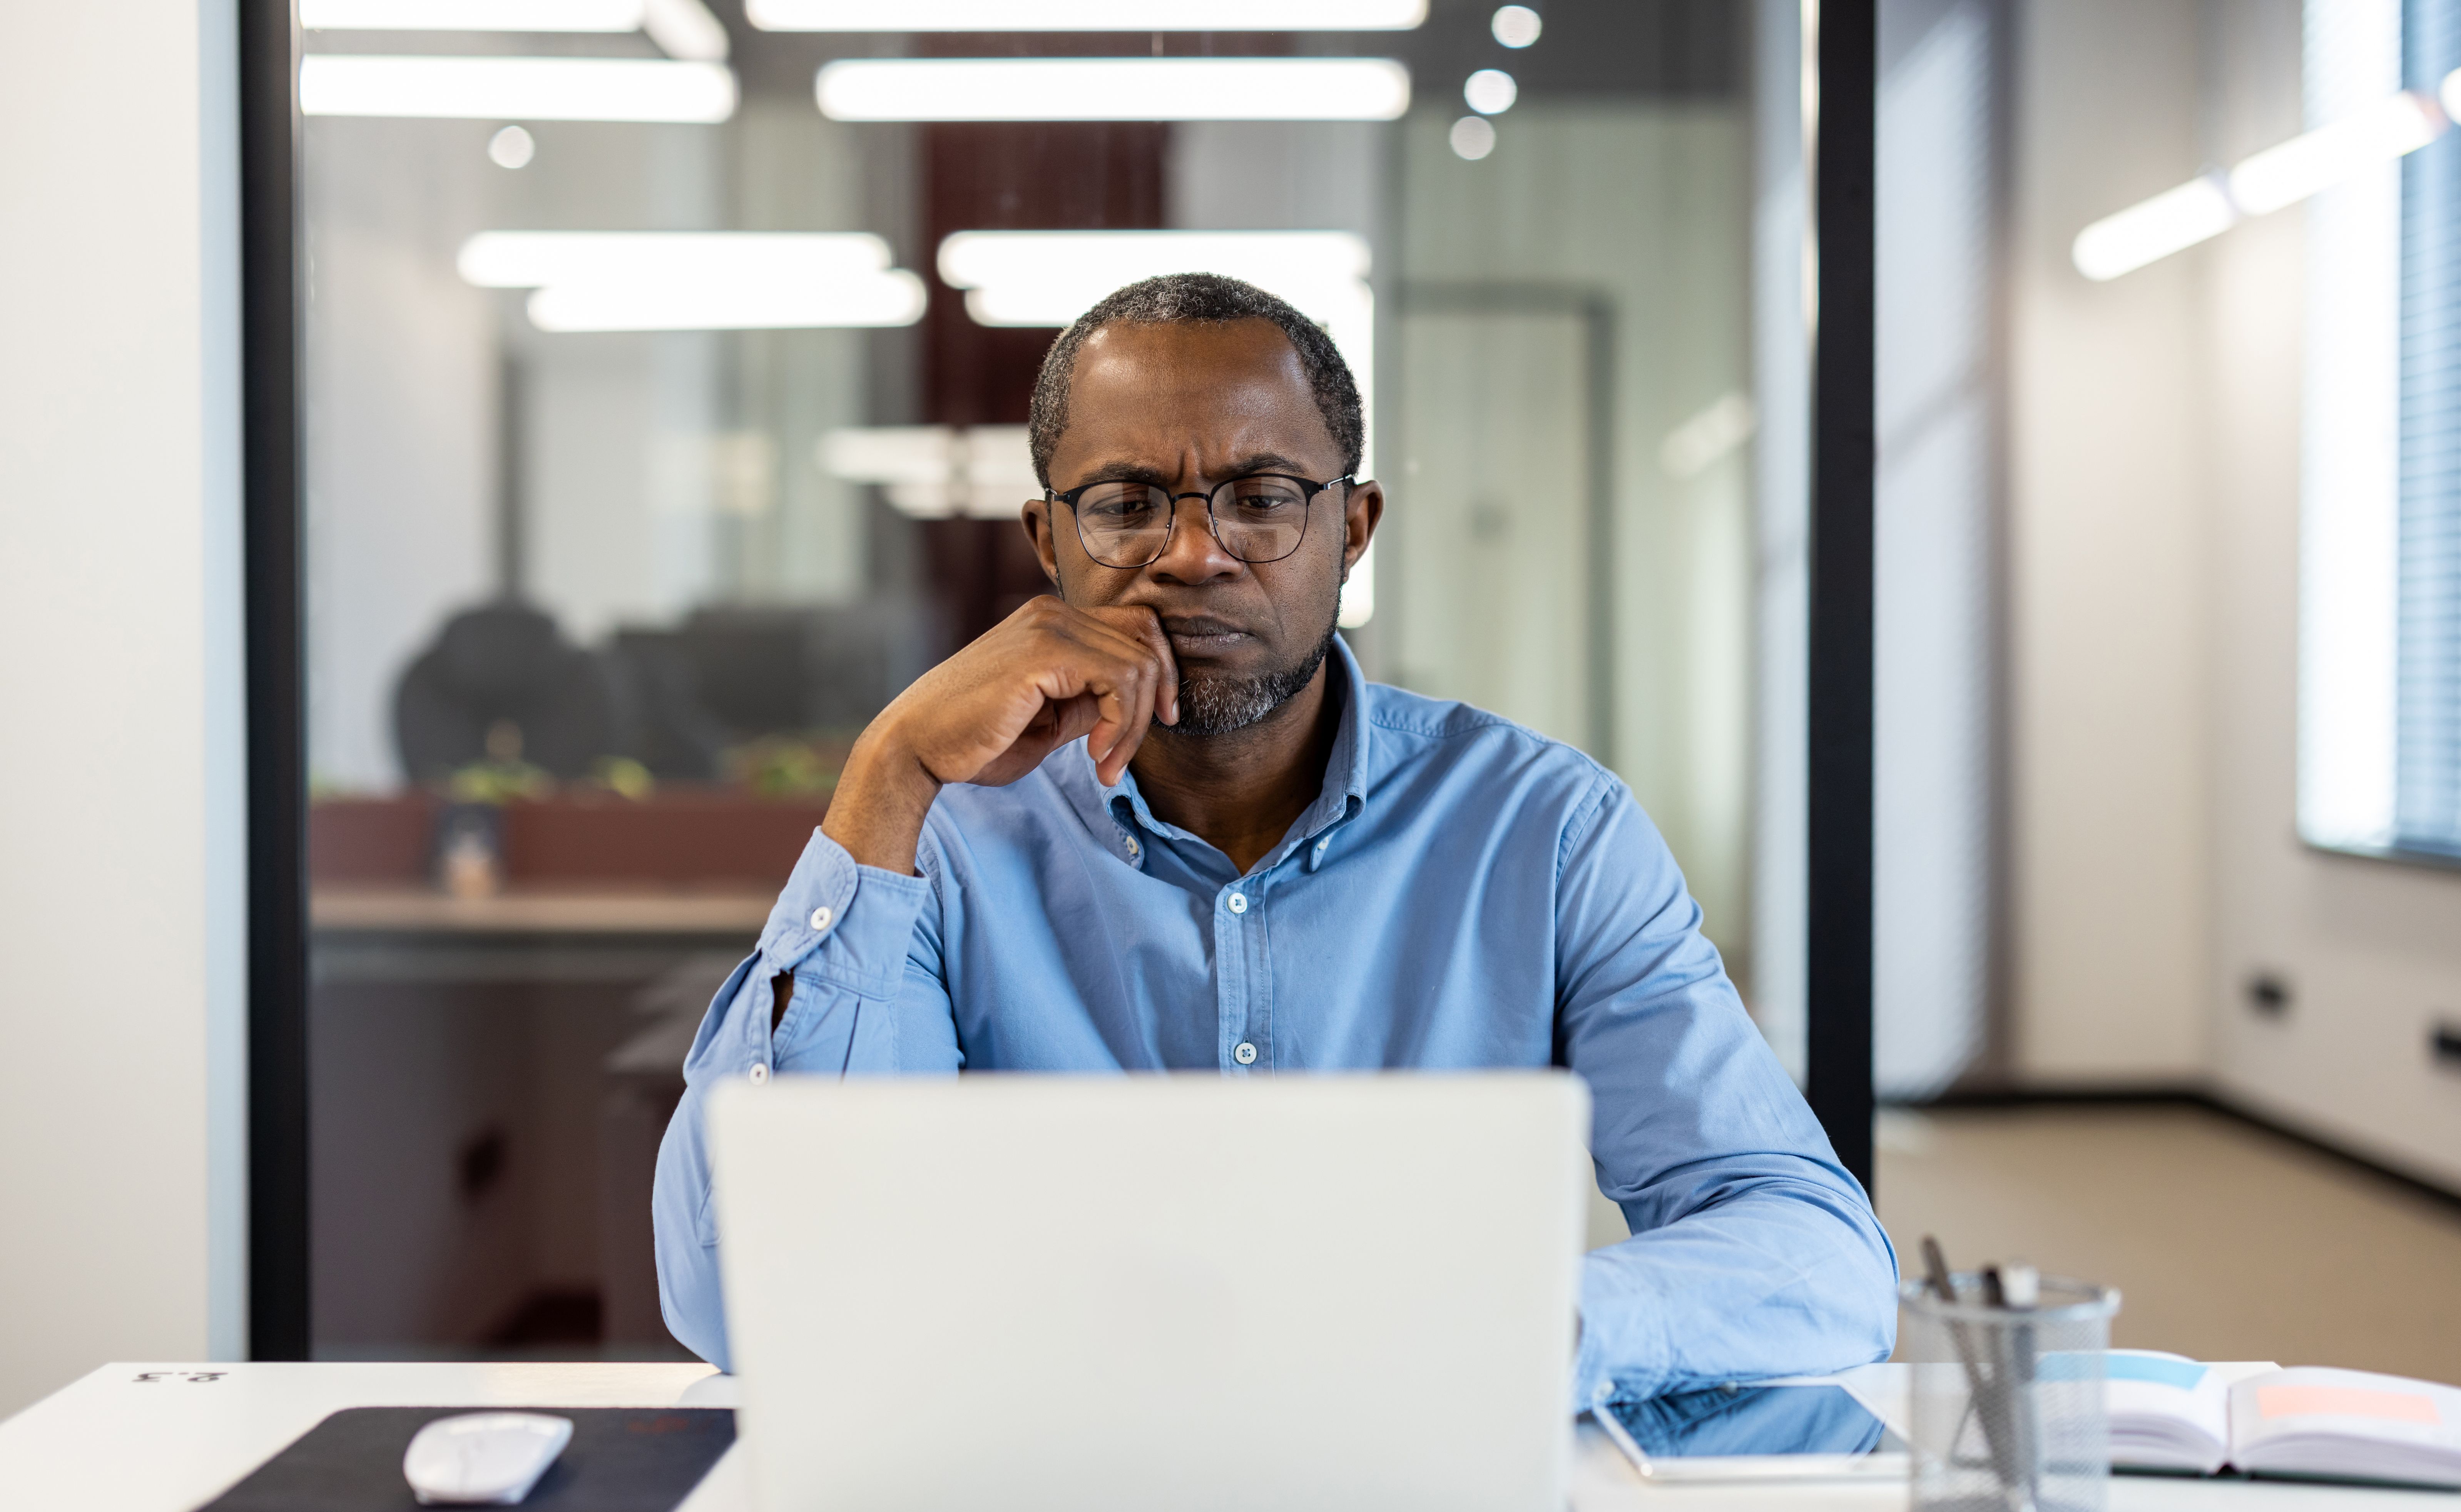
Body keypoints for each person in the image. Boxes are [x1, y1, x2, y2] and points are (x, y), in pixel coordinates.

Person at [653, 273, 1896, 1407]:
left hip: (1434, 1489)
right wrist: (887, 776)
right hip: (1046, 1498)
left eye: (1262, 499)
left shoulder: (1549, 831)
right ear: (1048, 545)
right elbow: (742, 1300)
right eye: (1129, 504)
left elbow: (1815, 1255)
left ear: (1353, 533)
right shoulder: (943, 839)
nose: (1194, 556)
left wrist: (1511, 1329)